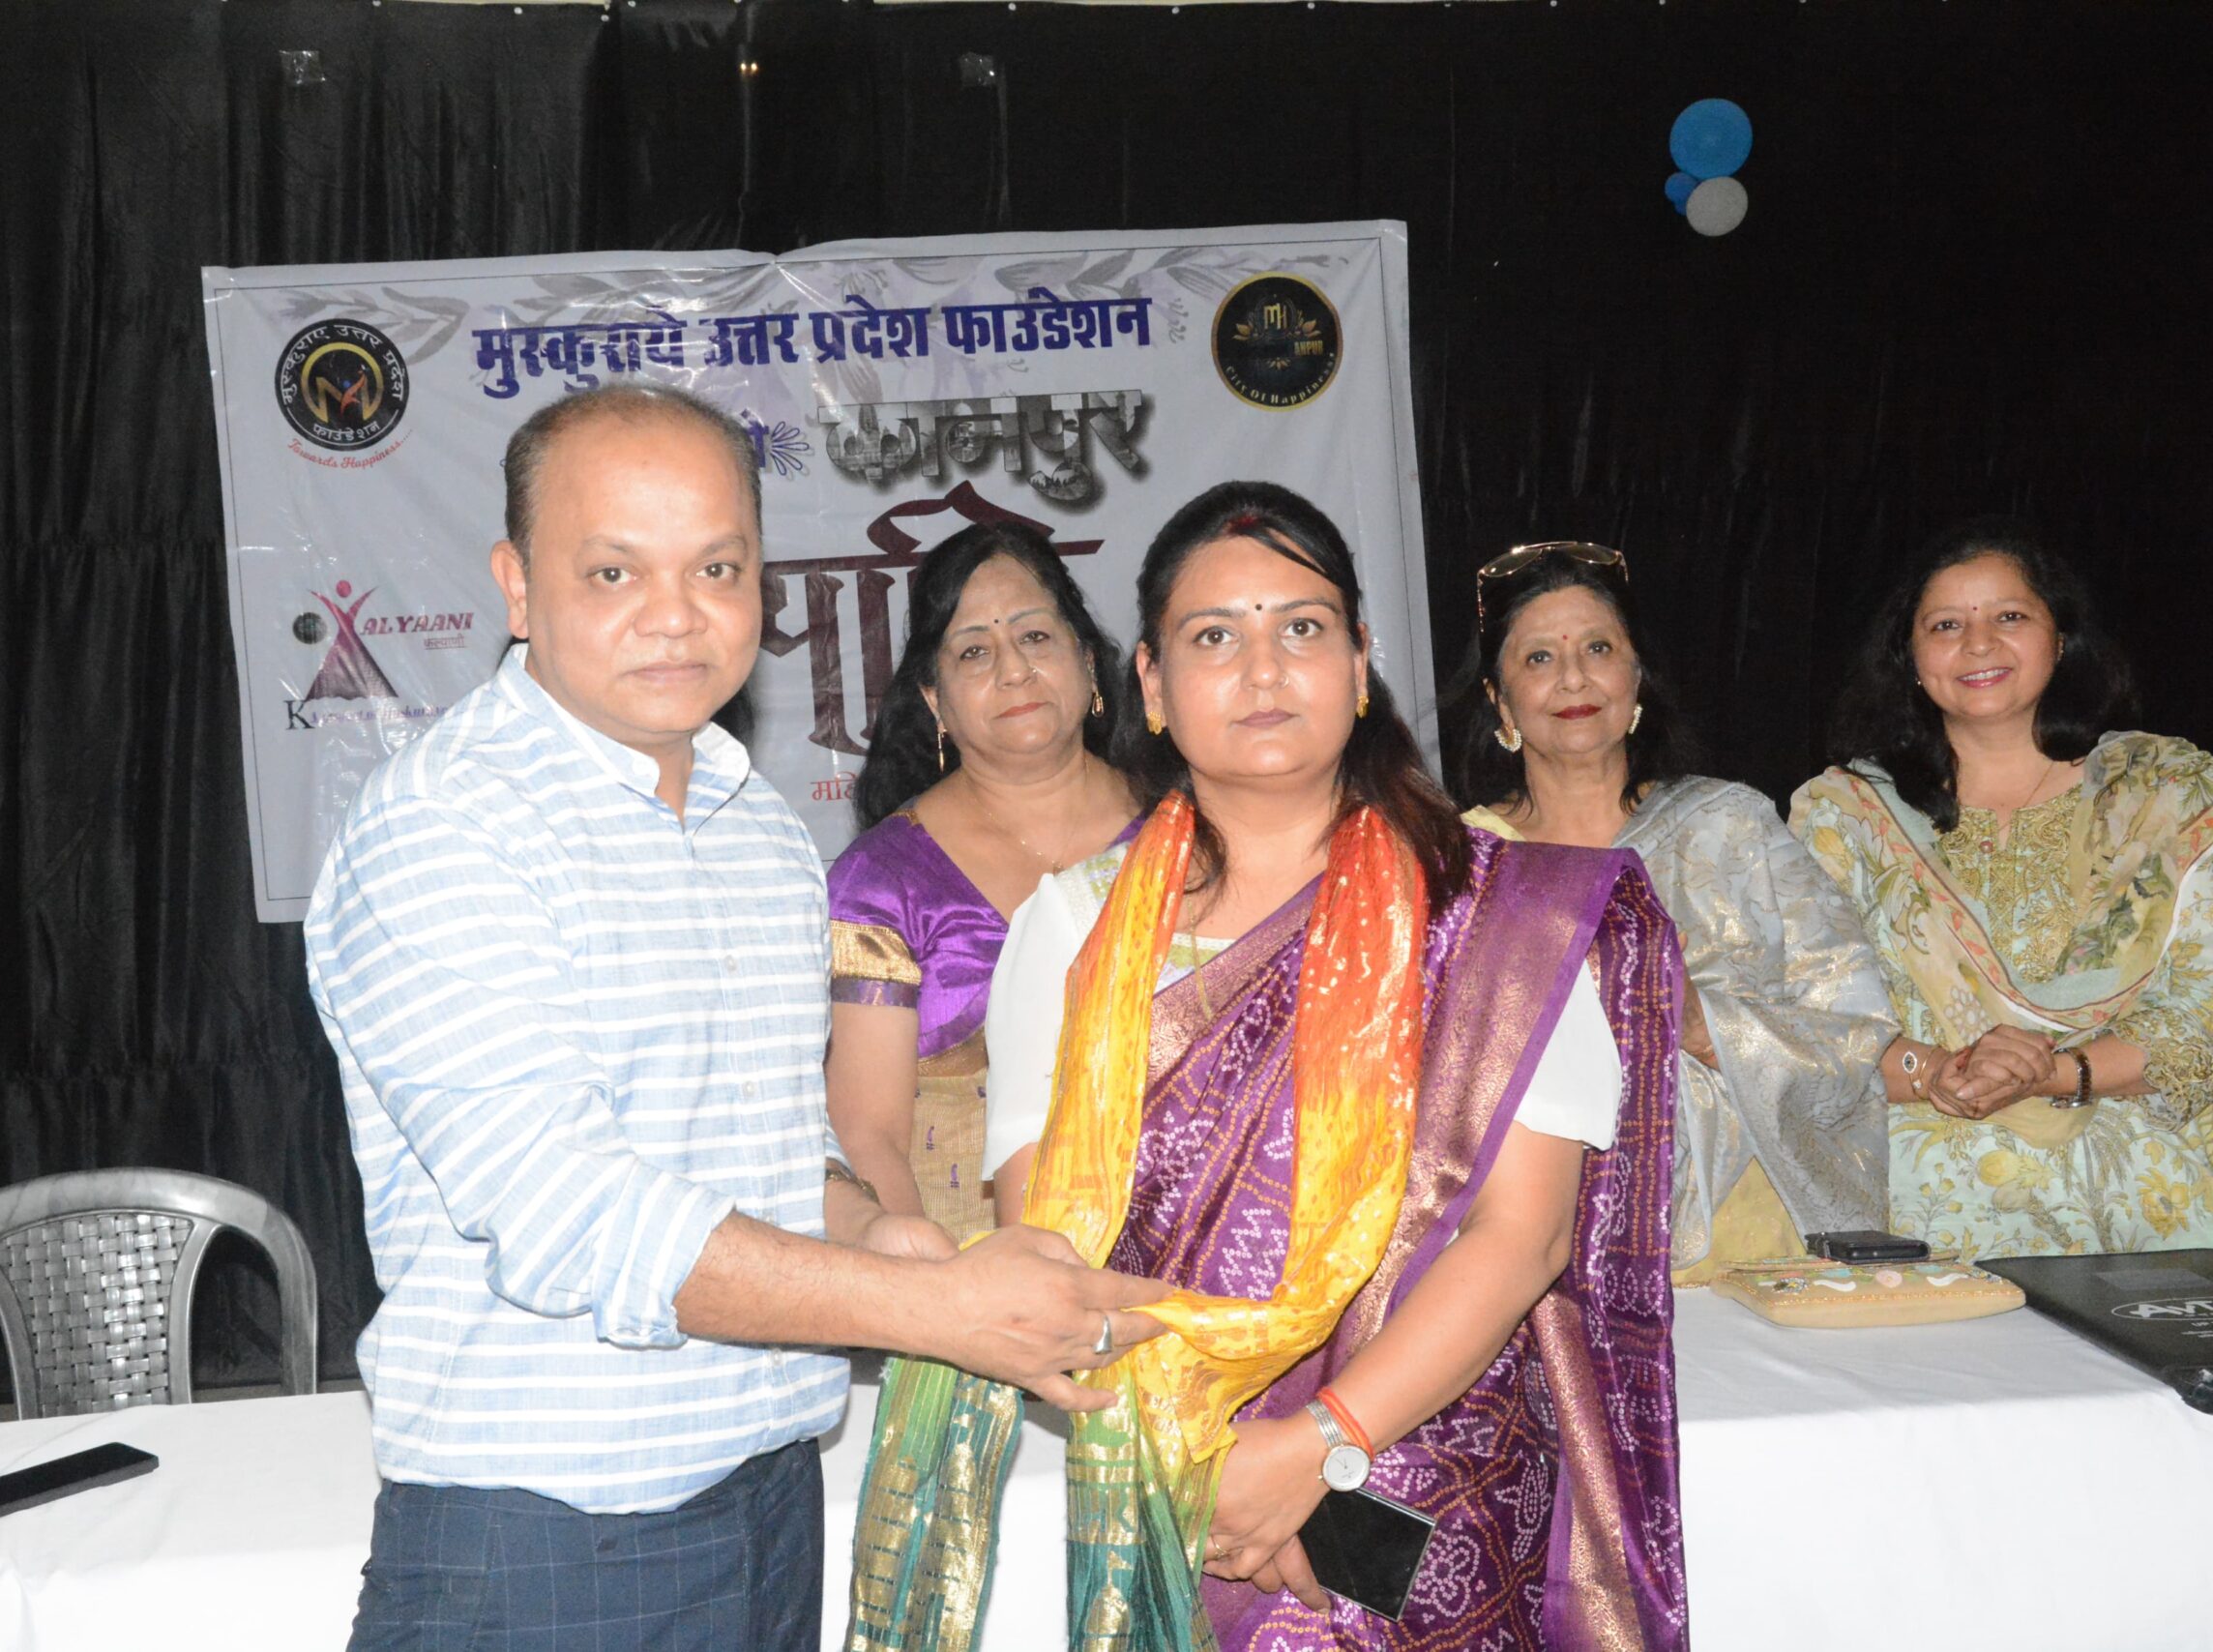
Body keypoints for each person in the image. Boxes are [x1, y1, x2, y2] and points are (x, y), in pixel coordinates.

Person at [303, 383, 1166, 1652]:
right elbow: (564, 1210)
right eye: (613, 571)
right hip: (549, 1538)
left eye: (716, 567)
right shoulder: (448, 827)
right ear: (517, 585)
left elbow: (759, 1145)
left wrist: (877, 1231)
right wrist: (934, 1313)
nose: (674, 614)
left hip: (769, 1497)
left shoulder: (754, 825)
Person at [849, 484, 1688, 1652]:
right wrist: (1216, 1475)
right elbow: (1050, 1254)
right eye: (1213, 636)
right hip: (1171, 1487)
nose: (1262, 668)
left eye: (1300, 627)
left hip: (1432, 1481)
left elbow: (1525, 1235)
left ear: (1358, 662)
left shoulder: (1500, 913)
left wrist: (1318, 1446)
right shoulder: (1071, 924)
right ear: (1150, 683)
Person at [1447, 542, 1896, 1281]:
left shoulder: (1731, 826)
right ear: (1499, 702)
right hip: (1539, 1246)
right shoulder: (1464, 865)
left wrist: (1697, 1023)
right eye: (1538, 658)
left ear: (1637, 679)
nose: (1573, 677)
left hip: (1748, 1238)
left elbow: (1853, 1028)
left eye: (1598, 649)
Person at [1793, 516, 2213, 1257]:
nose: (1978, 643)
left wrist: (2056, 1075)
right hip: (1917, 1157)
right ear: (1911, 658)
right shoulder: (1846, 817)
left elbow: (2201, 1006)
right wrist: (1937, 1075)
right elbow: (1809, 1019)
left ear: (2062, 639)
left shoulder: (2170, 791)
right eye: (1946, 625)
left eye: (2009, 617)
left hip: (2145, 1159)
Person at [826, 520, 1140, 1240]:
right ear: (935, 700)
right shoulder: (883, 881)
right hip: (969, 1272)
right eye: (974, 651)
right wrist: (936, 1291)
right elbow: (869, 1135)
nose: (1014, 670)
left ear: (1088, 661)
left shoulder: (1185, 837)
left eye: (1035, 636)